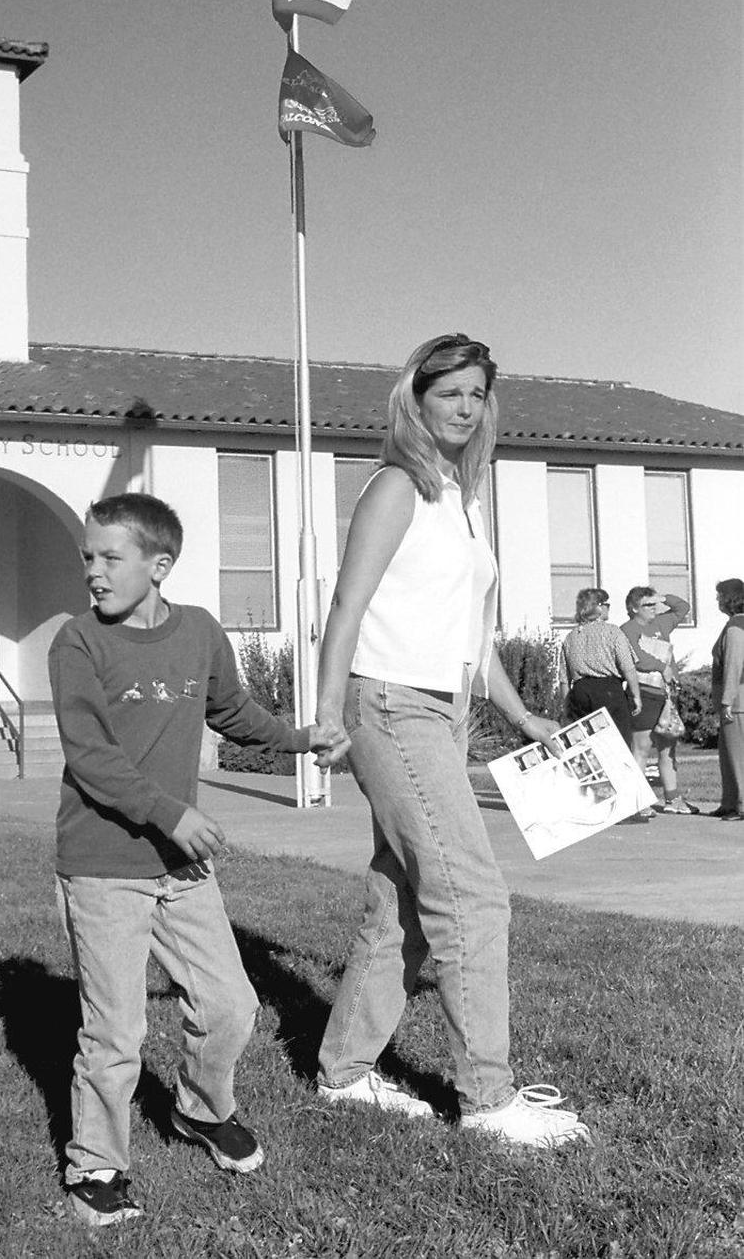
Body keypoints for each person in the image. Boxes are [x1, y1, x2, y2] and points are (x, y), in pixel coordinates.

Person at [313, 333, 591, 1151]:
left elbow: (475, 637)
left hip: (437, 707)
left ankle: (344, 1073)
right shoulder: (396, 486)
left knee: (399, 901)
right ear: (416, 400)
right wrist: (330, 717)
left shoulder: (463, 500)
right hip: (389, 706)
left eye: (477, 394)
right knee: (473, 896)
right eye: (450, 394)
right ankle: (489, 1099)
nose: (465, 408)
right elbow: (346, 609)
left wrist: (527, 720)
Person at [49, 492, 340, 1226]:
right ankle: (96, 1165)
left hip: (179, 870)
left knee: (230, 1005)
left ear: (159, 564)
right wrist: (172, 812)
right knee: (115, 1031)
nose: (94, 571)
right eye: (89, 557)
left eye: (110, 558)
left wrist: (302, 739)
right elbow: (91, 759)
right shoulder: (77, 643)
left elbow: (232, 711)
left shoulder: (201, 632)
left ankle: (201, 1111)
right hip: (104, 863)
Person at [620, 587, 699, 814]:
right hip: (643, 692)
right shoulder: (628, 629)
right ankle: (637, 801)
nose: (654, 609)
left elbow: (683, 607)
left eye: (655, 604)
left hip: (665, 694)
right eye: (648, 605)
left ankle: (672, 799)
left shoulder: (662, 623)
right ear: (633, 608)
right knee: (642, 746)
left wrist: (663, 597)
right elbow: (635, 657)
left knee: (668, 746)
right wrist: (661, 666)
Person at [557, 588, 642, 743]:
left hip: (580, 693)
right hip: (608, 691)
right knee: (617, 743)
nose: (609, 608)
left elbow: (564, 679)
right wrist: (636, 695)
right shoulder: (612, 632)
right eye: (607, 604)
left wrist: (567, 707)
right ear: (598, 607)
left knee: (587, 743)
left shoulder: (570, 638)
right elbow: (627, 667)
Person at [709, 577, 744, 822]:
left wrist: (727, 700)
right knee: (727, 753)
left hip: (738, 701)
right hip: (737, 698)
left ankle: (740, 803)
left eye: (720, 596)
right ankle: (729, 801)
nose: (718, 600)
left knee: (737, 754)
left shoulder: (735, 627)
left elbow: (733, 665)